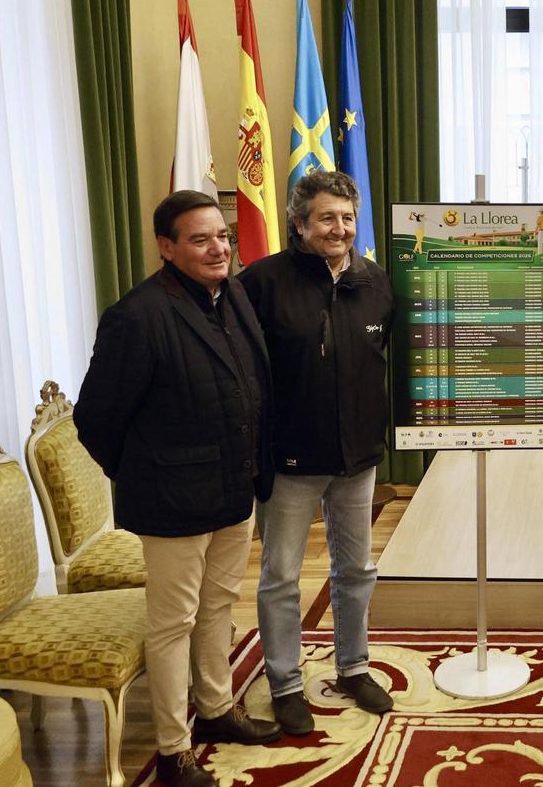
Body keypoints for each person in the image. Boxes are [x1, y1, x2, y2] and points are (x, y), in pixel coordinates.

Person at [75, 190, 281, 787]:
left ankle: (215, 709)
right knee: (173, 625)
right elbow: (96, 419)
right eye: (200, 239)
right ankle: (173, 751)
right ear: (167, 248)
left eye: (223, 236)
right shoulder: (136, 317)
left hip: (234, 487)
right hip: (172, 501)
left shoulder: (232, 293)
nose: (218, 248)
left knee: (218, 606)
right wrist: (148, 472)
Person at [240, 171, 394, 736]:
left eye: (348, 218)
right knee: (281, 575)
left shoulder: (375, 282)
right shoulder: (260, 284)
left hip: (357, 458)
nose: (340, 229)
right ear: (299, 223)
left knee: (356, 568)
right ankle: (285, 684)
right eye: (327, 218)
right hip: (289, 459)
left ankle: (353, 668)